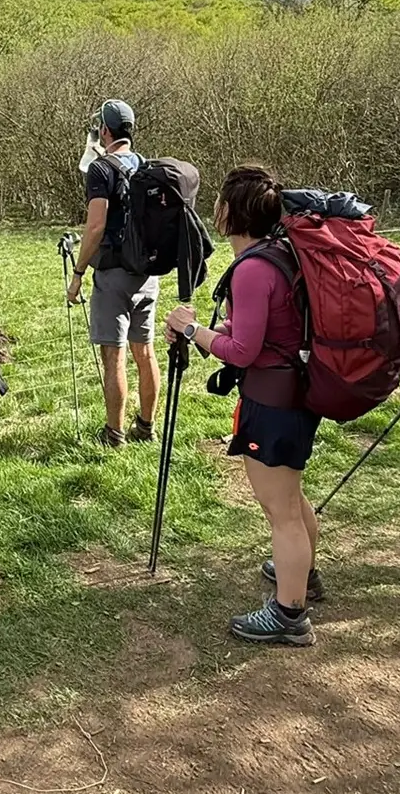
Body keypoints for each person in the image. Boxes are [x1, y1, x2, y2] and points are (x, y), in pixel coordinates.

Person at [167, 166, 322, 645]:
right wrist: (213, 332)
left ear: (230, 213)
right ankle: (303, 578)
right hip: (293, 394)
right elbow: (256, 335)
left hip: (272, 401)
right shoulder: (280, 255)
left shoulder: (254, 269)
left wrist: (193, 331)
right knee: (291, 499)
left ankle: (289, 617)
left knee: (282, 512)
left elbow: (242, 352)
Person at [68, 99, 160, 448]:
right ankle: (146, 427)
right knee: (146, 352)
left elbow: (95, 228)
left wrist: (78, 273)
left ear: (104, 131)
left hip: (114, 274)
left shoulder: (101, 169)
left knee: (115, 355)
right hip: (147, 273)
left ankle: (114, 434)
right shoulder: (147, 166)